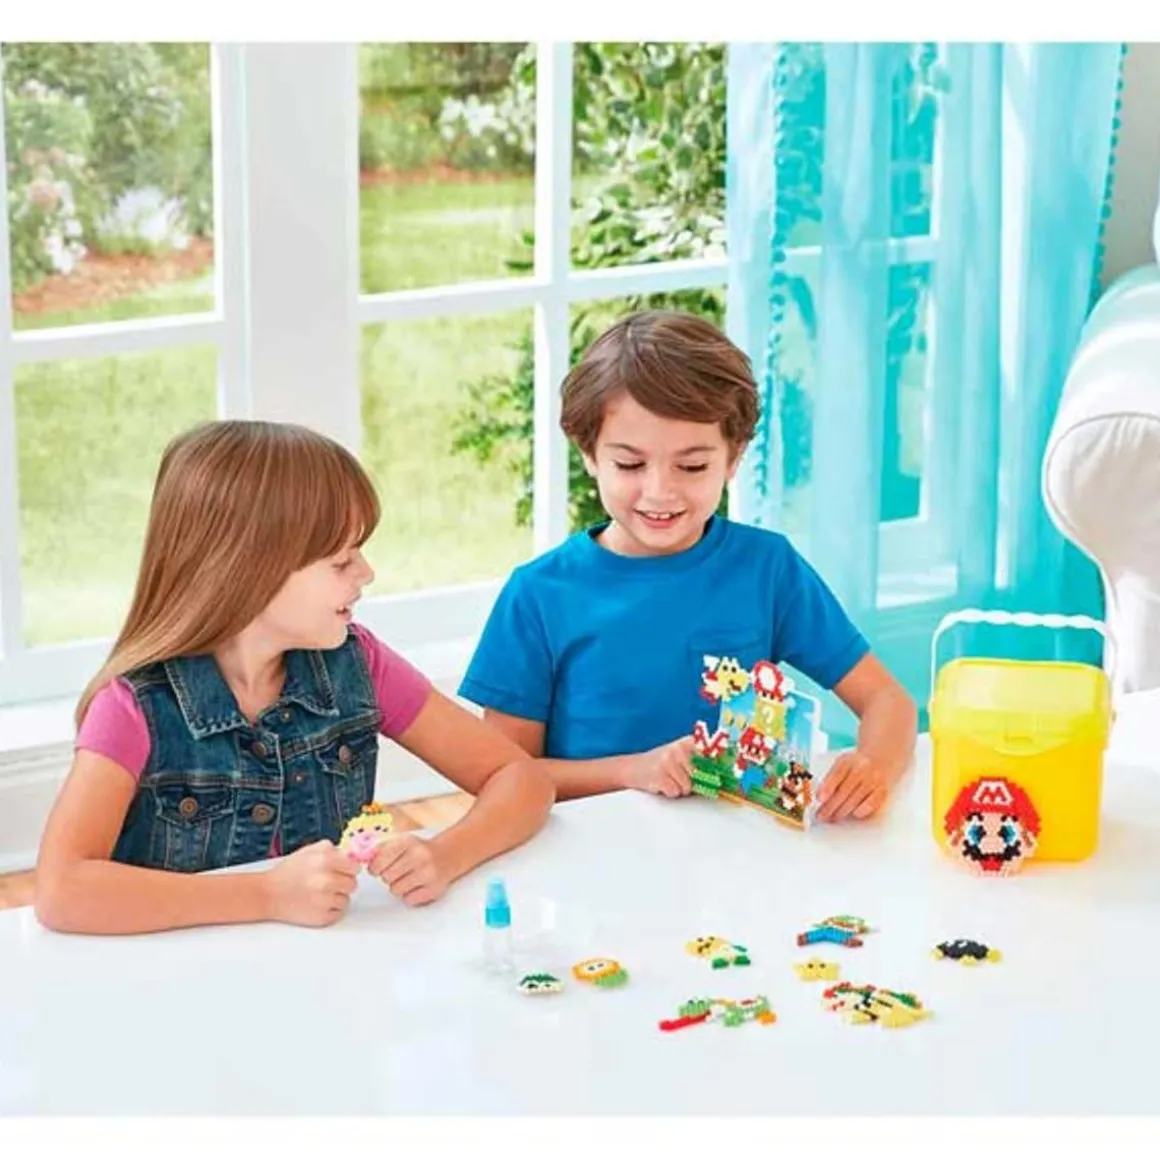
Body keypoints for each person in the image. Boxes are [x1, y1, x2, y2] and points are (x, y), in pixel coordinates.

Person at [34, 420, 555, 935]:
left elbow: (521, 779)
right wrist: (267, 895)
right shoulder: (133, 706)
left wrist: (445, 855)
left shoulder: (359, 664)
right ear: (248, 572)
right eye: (341, 561)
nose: (366, 573)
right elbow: (62, 891)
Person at [458, 310, 916, 822]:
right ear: (589, 453)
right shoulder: (538, 596)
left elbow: (887, 700)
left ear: (734, 458)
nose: (660, 492)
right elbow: (505, 777)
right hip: (596, 850)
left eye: (693, 466)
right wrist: (633, 770)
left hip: (738, 846)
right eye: (630, 464)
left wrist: (874, 765)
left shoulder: (767, 568)